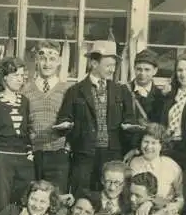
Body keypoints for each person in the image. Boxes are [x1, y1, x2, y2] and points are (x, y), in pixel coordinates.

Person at [55, 40, 137, 194]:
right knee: (82, 195)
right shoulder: (75, 91)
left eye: (114, 65)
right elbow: (63, 118)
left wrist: (129, 133)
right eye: (108, 65)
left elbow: (130, 119)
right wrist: (66, 126)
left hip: (113, 155)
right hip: (84, 155)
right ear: (93, 63)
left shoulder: (121, 91)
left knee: (111, 196)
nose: (112, 70)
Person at [0, 57, 35, 215]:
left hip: (23, 160)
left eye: (22, 75)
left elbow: (26, 130)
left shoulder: (24, 101)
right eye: (15, 75)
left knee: (21, 204)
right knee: (0, 205)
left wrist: (30, 152)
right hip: (1, 159)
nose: (20, 79)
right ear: (4, 77)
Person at [21, 41, 73, 193]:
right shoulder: (24, 89)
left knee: (56, 199)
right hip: (32, 154)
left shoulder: (68, 90)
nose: (47, 63)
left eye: (52, 59)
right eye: (43, 58)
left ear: (59, 62)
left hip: (58, 154)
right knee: (31, 197)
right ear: (36, 60)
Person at [129, 123, 184, 214]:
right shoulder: (134, 163)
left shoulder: (172, 166)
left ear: (161, 145)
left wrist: (156, 204)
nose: (148, 147)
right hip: (136, 214)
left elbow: (181, 199)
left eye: (154, 143)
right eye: (146, 142)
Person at [126, 49, 167, 152]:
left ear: (155, 70)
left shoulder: (161, 97)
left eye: (147, 69)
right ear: (134, 69)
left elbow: (161, 128)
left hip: (150, 150)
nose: (142, 73)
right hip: (126, 148)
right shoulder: (123, 91)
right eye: (139, 69)